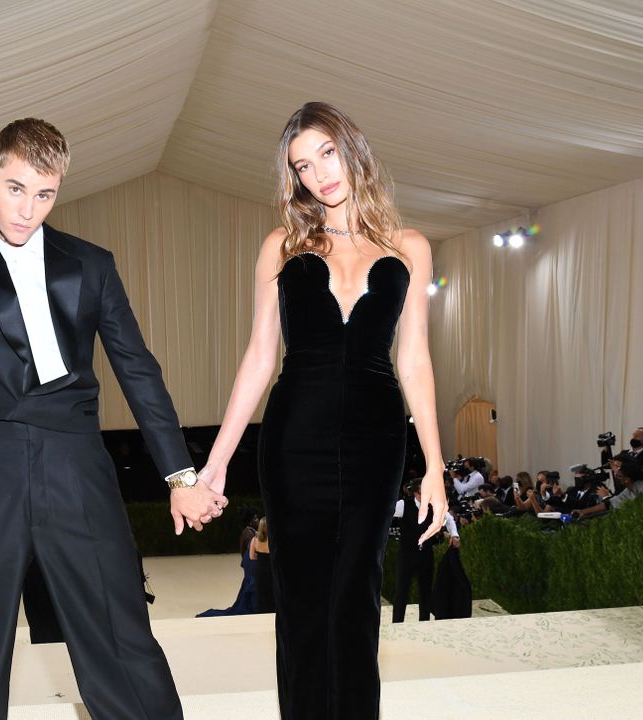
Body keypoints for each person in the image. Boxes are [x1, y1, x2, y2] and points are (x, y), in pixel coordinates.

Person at [0, 117, 225, 720]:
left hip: (75, 458)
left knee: (116, 622)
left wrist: (181, 477)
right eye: (13, 188)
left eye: (43, 194)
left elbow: (137, 369)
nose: (26, 209)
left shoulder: (89, 263)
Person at [196, 102, 446, 718]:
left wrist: (435, 466)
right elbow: (259, 358)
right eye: (302, 166)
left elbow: (414, 359)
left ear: (352, 149)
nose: (318, 175)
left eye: (326, 154)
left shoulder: (409, 246)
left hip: (375, 440)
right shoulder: (282, 245)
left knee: (357, 596)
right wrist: (217, 462)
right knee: (303, 600)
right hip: (293, 440)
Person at [392, 479, 460, 622]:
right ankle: (397, 623)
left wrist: (454, 535)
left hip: (426, 555)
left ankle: (424, 623)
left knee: (425, 591)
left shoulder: (435, 506)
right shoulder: (403, 505)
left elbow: (449, 519)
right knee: (401, 591)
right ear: (416, 494)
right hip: (406, 555)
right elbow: (385, 513)